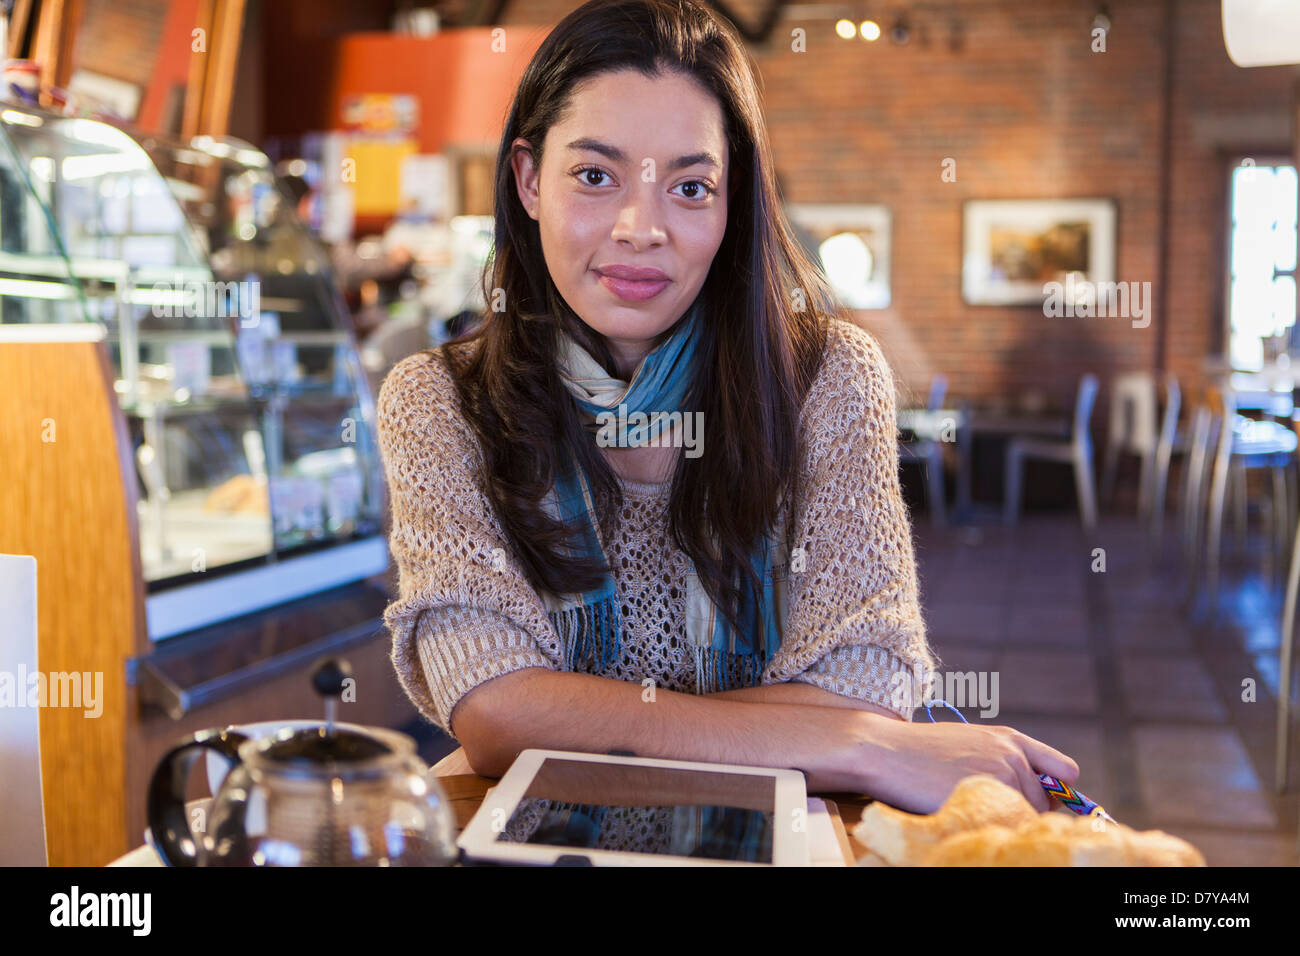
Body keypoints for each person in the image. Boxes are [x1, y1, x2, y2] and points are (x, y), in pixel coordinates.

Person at [377, 0, 1078, 814]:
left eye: (690, 186)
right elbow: (497, 710)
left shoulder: (829, 379)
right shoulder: (442, 402)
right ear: (530, 179)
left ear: (733, 198)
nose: (643, 229)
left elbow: (867, 680)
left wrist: (568, 716)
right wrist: (860, 744)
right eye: (595, 175)